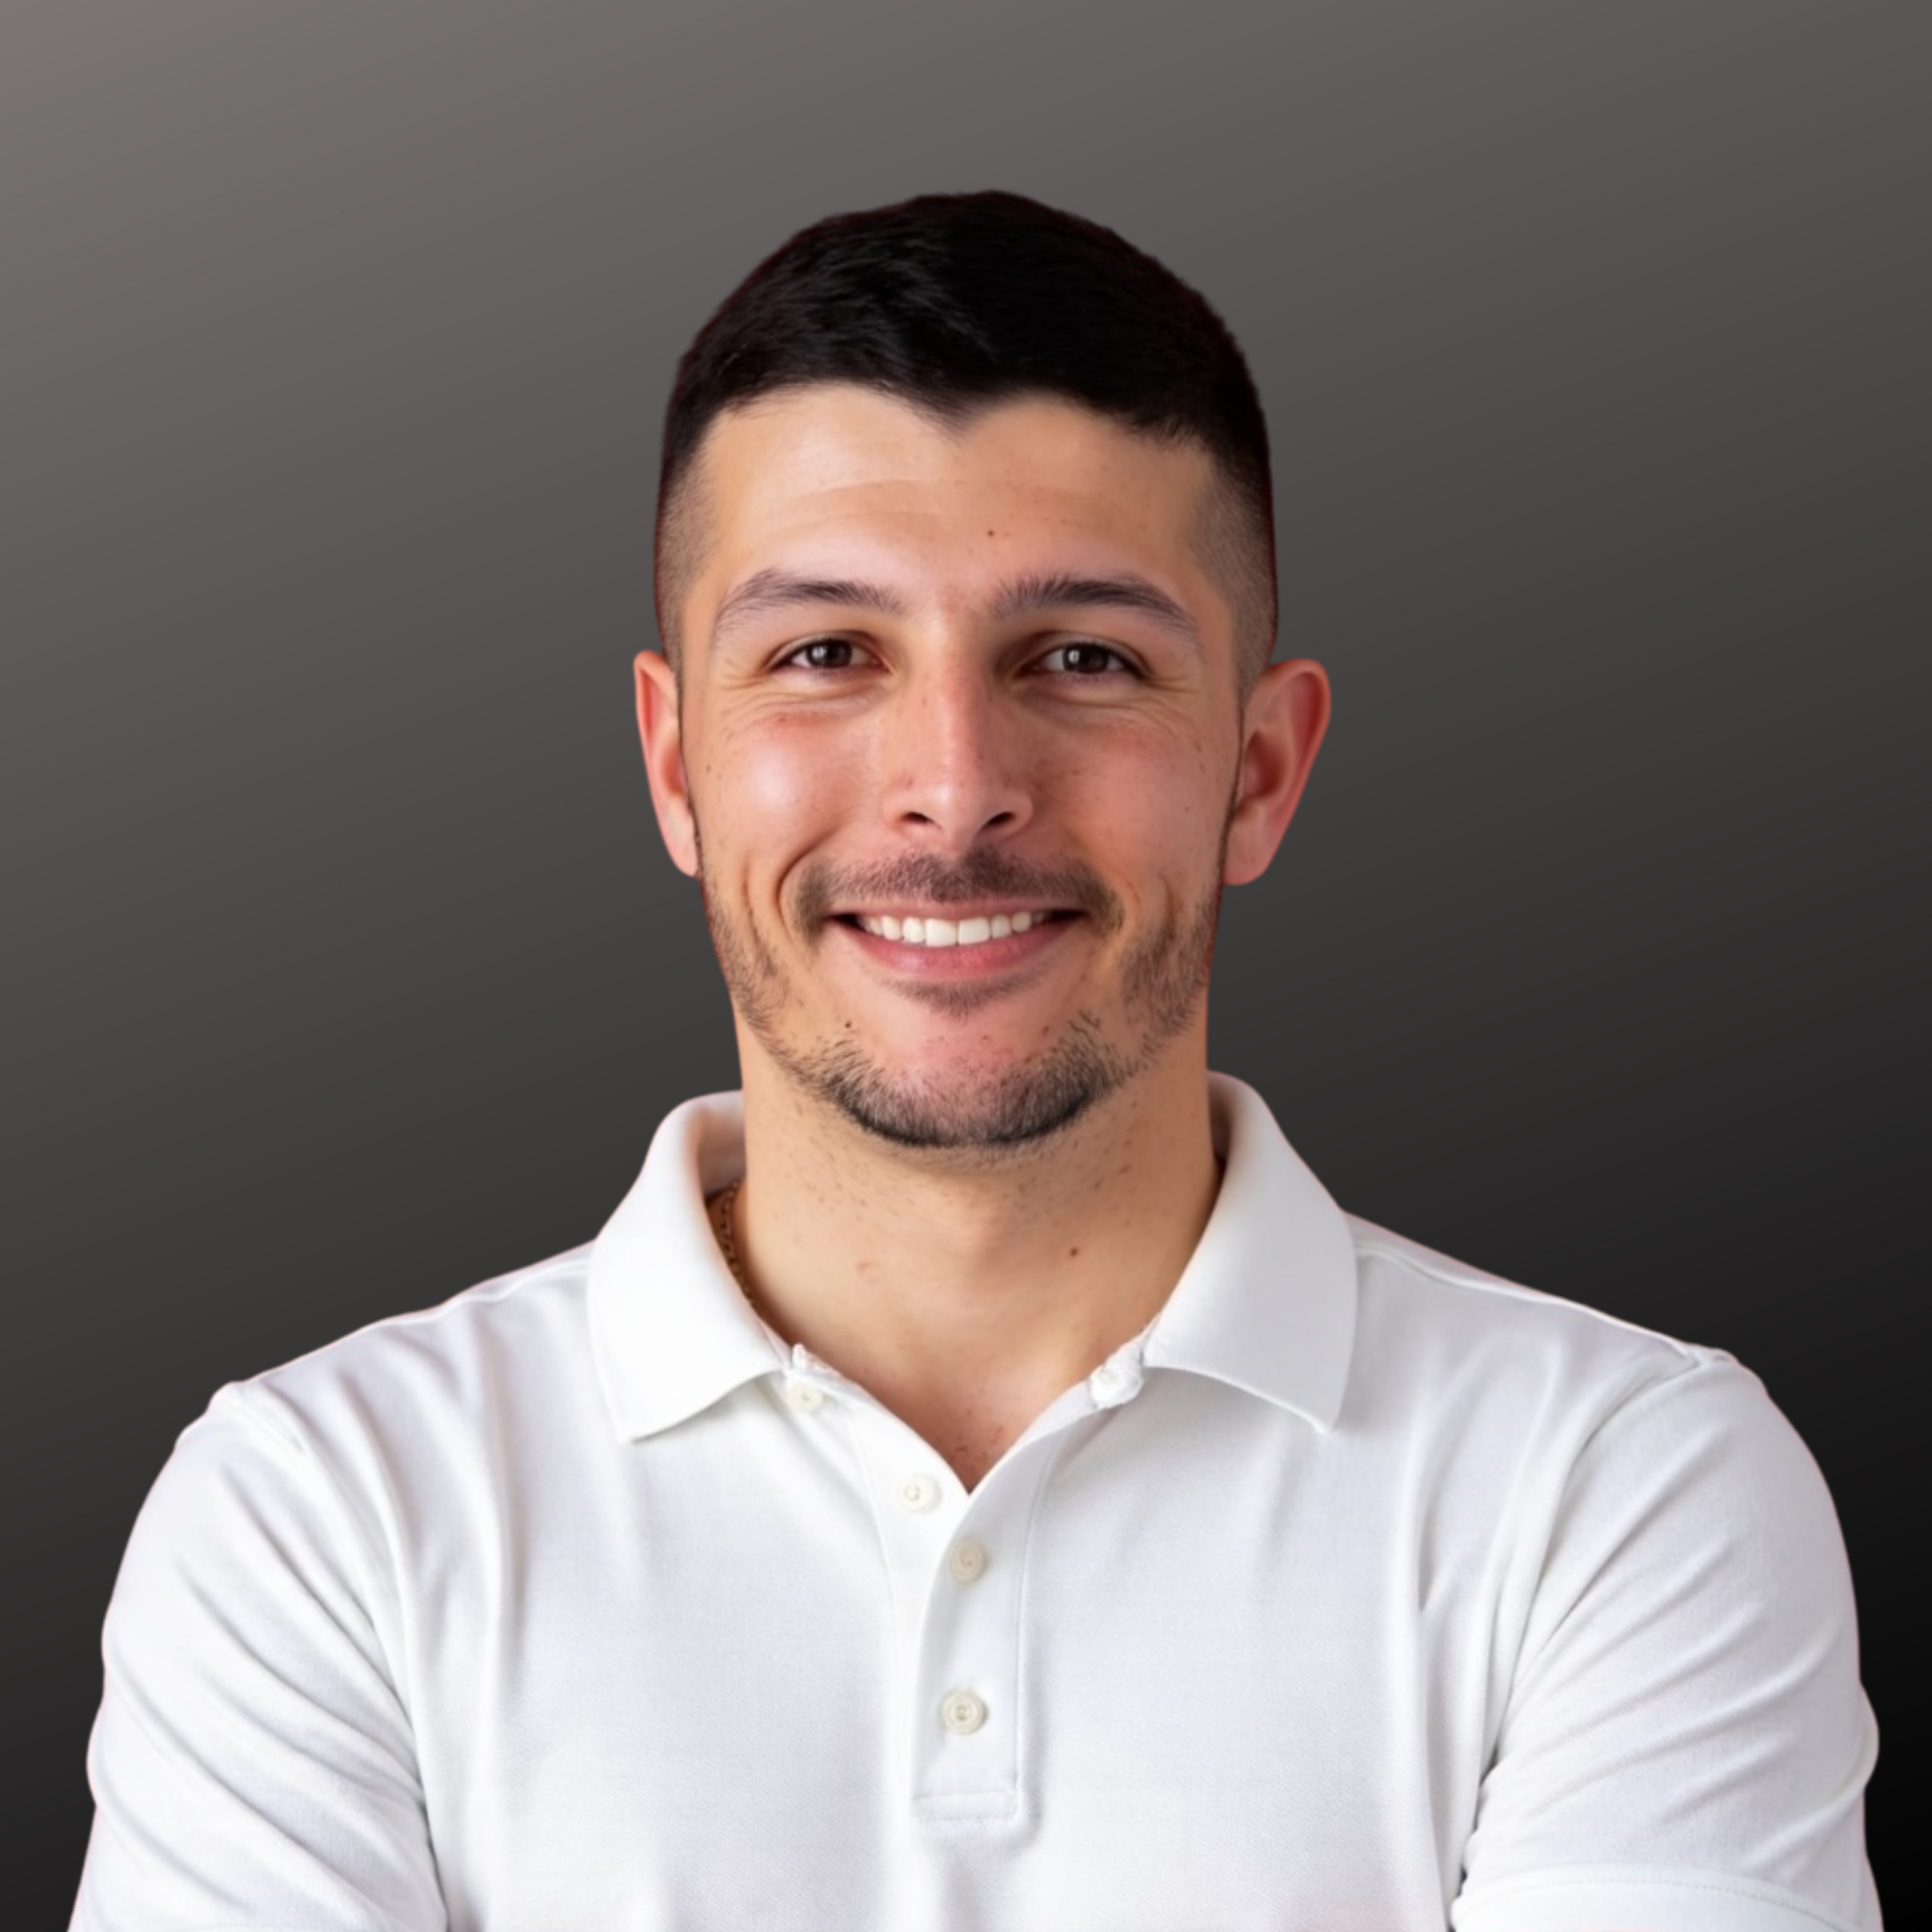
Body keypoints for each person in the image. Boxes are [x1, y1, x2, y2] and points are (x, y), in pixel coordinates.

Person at [70, 191, 1880, 1932]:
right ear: (676, 765)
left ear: (1258, 769)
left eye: (1080, 655)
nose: (954, 786)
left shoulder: (1616, 1487)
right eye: (825, 652)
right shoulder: (323, 1508)